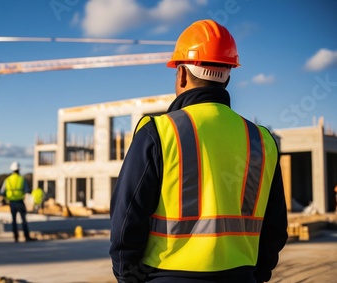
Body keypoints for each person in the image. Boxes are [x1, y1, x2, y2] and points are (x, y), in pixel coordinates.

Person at [110, 19, 288, 283]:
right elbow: (275, 226)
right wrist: (257, 274)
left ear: (182, 73)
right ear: (228, 75)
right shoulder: (261, 140)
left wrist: (129, 276)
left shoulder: (158, 132)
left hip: (166, 277)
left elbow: (126, 220)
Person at [1, 161, 36, 242]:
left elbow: (2, 192)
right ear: (19, 169)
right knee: (23, 220)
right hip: (20, 202)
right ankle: (26, 236)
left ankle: (16, 237)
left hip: (12, 202)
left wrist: (7, 197)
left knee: (14, 220)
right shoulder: (21, 179)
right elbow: (27, 190)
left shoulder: (7, 180)